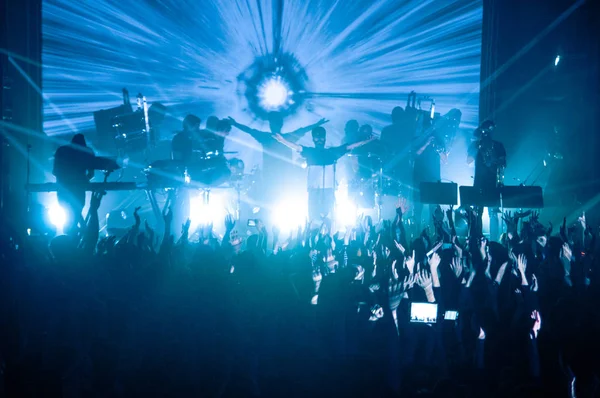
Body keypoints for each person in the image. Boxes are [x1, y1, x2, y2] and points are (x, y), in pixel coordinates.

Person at [274, 126, 374, 222]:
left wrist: (366, 141)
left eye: (321, 137)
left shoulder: (331, 152)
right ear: (313, 139)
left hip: (328, 190)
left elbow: (350, 146)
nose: (319, 140)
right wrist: (282, 140)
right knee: (313, 219)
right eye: (317, 138)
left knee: (330, 218)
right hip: (314, 190)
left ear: (325, 138)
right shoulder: (310, 152)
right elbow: (296, 147)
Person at [228, 112, 328, 202]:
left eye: (273, 123)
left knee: (276, 200)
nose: (273, 125)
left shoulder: (269, 137)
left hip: (277, 177)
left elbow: (249, 130)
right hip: (279, 177)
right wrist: (316, 124)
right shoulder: (286, 137)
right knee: (278, 200)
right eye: (272, 123)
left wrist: (235, 124)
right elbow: (302, 130)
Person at [467, 120, 506, 240]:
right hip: (479, 183)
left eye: (489, 131)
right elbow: (468, 162)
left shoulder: (498, 145)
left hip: (493, 183)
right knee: (478, 212)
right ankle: (477, 238)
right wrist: (477, 149)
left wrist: (492, 157)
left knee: (493, 213)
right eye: (484, 131)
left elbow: (503, 163)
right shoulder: (475, 145)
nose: (486, 134)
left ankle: (494, 240)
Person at [52, 133, 95, 234]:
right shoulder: (87, 151)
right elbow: (91, 173)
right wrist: (83, 180)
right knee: (77, 208)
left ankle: (75, 230)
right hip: (79, 185)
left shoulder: (61, 150)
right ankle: (80, 230)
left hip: (63, 185)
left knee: (68, 208)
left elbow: (55, 171)